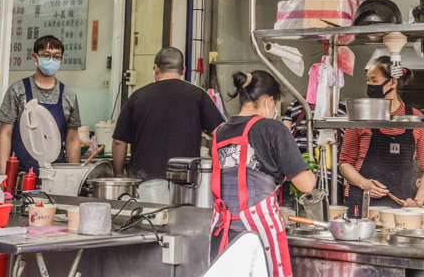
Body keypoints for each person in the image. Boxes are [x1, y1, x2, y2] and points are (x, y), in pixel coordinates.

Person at [210, 70, 315, 277]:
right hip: (258, 236)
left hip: (224, 232)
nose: (275, 110)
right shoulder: (273, 129)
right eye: (276, 105)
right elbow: (306, 185)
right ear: (269, 101)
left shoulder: (221, 131)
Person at [338, 57, 424, 212]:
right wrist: (365, 184)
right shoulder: (361, 115)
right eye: (368, 81)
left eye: (374, 80)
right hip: (362, 201)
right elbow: (344, 163)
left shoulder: (415, 118)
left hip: (402, 205)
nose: (370, 85)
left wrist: (417, 201)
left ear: (392, 82)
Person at [112, 47, 224, 181]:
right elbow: (221, 131)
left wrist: (119, 173)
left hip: (144, 181)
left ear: (156, 68)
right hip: (184, 181)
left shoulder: (137, 97)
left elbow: (119, 142)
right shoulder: (199, 95)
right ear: (183, 69)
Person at [0, 35, 81, 178]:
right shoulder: (17, 90)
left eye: (56, 57)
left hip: (56, 174)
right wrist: (3, 174)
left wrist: (73, 175)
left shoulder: (69, 95)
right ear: (35, 57)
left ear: (61, 59)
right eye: (46, 56)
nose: (51, 60)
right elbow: (6, 133)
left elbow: (72, 138)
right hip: (20, 173)